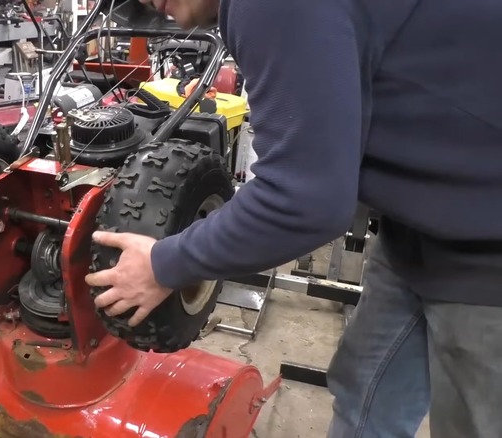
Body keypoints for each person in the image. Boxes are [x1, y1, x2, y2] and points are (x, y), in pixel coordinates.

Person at [84, 0, 502, 437]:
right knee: (365, 394)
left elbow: (303, 201)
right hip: (420, 228)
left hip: (488, 247)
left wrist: (163, 265)